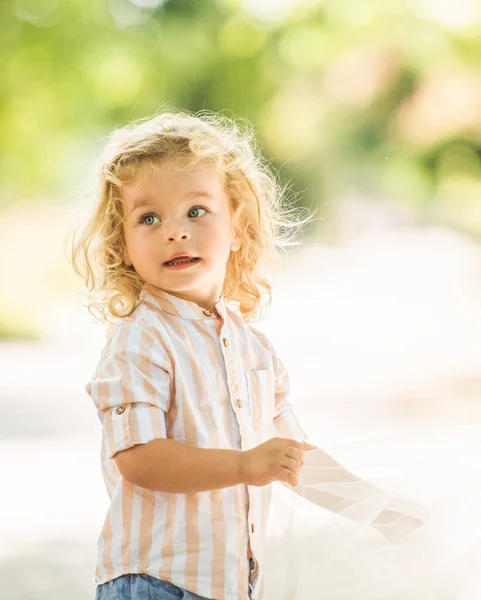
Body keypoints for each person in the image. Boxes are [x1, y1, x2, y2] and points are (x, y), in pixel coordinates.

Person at [70, 109, 425, 600]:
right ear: (123, 244)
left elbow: (291, 459)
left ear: (237, 227)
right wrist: (242, 466)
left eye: (196, 211)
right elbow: (139, 459)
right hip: (154, 581)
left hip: (230, 586)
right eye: (149, 218)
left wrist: (380, 509)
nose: (175, 231)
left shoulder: (252, 347)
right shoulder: (140, 338)